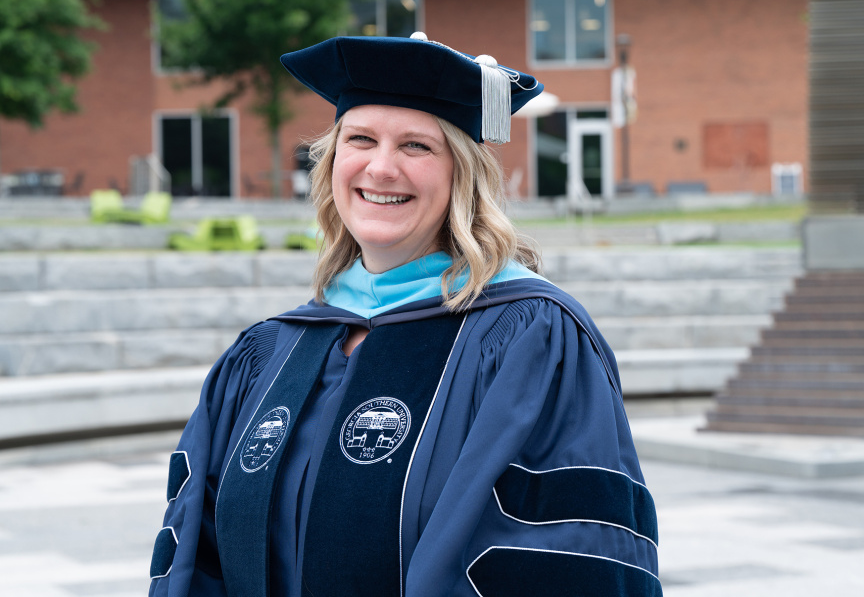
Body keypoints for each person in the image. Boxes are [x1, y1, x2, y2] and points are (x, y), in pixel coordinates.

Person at [149, 33, 661, 597]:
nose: (382, 168)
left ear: (460, 175)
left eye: (416, 146)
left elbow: (570, 558)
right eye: (361, 140)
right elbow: (196, 554)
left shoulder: (529, 339)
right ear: (333, 163)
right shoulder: (270, 353)